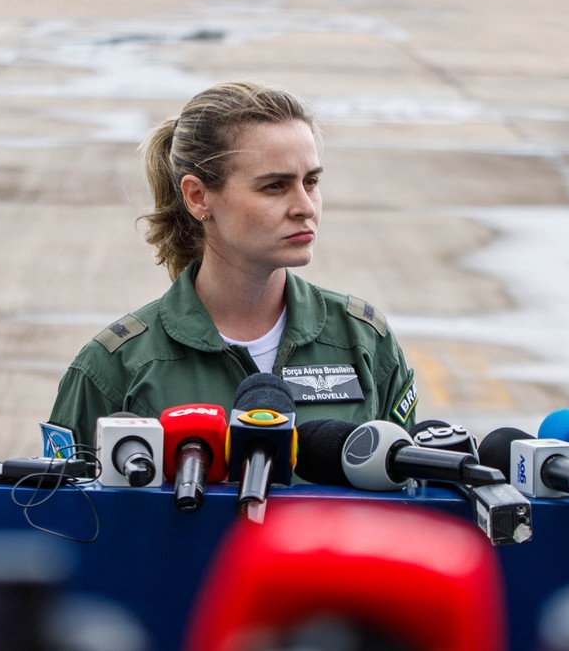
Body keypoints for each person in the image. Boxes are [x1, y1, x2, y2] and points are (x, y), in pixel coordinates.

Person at [45, 81, 418, 452]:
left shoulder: (364, 342)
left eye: (312, 181)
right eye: (274, 186)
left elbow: (415, 498)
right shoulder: (116, 368)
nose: (306, 206)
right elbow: (52, 506)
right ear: (198, 196)